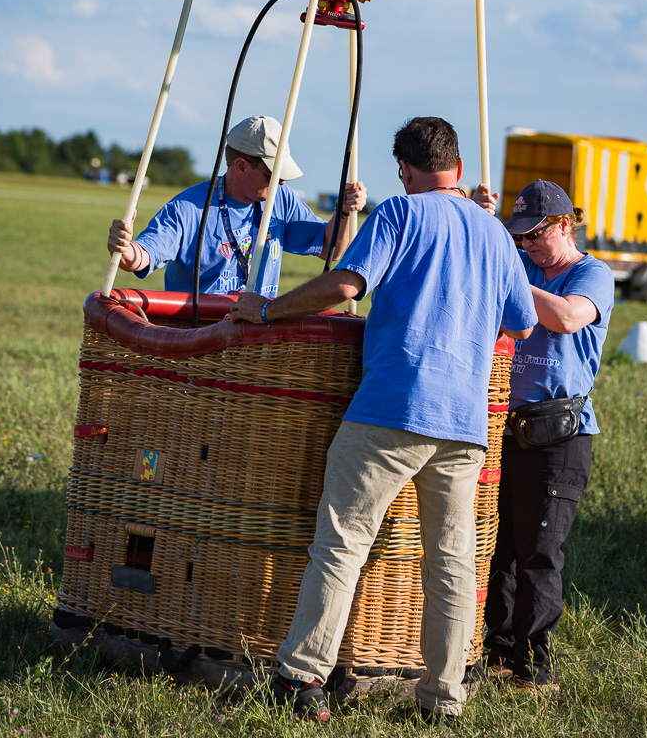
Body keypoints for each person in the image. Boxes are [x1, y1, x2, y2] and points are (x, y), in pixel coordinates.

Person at [229, 117, 537, 721]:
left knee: (341, 545)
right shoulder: (497, 235)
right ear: (459, 168)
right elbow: (521, 323)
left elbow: (346, 285)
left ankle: (301, 676)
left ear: (405, 169)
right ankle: (443, 699)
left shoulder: (400, 213)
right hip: (465, 423)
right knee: (451, 562)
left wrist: (267, 310)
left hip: (393, 408)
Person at [473, 178, 614, 693]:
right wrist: (487, 231)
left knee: (539, 550)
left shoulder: (592, 274)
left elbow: (566, 316)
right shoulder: (527, 265)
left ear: (562, 225)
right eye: (520, 238)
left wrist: (509, 273)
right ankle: (498, 648)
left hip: (559, 434)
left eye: (534, 235)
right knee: (500, 545)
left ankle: (537, 665)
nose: (527, 245)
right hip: (508, 425)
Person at [107, 115, 367, 297]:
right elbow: (141, 257)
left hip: (255, 337)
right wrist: (125, 249)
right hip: (198, 335)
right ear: (241, 166)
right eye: (272, 175)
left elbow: (329, 248)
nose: (282, 182)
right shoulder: (187, 208)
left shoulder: (281, 198)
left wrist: (344, 211)